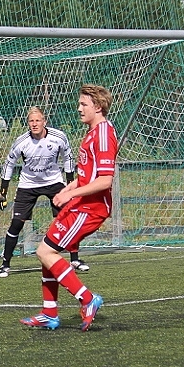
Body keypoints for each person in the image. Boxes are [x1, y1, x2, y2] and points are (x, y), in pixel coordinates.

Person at [22, 84, 118, 331]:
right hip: (81, 203)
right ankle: (49, 313)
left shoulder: (104, 135)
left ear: (98, 107)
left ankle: (87, 299)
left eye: (84, 104)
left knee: (46, 253)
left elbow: (105, 181)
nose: (79, 108)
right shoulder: (92, 132)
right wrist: (67, 189)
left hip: (91, 208)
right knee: (46, 251)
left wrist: (71, 194)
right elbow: (88, 176)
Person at [0, 107, 88, 277]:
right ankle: (5, 264)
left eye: (38, 120)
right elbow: (8, 164)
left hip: (53, 182)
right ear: (28, 123)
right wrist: (3, 192)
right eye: (31, 121)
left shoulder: (58, 137)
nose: (34, 124)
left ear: (44, 121)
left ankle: (75, 259)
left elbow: (68, 157)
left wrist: (70, 185)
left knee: (69, 218)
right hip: (28, 184)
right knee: (16, 223)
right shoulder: (22, 142)